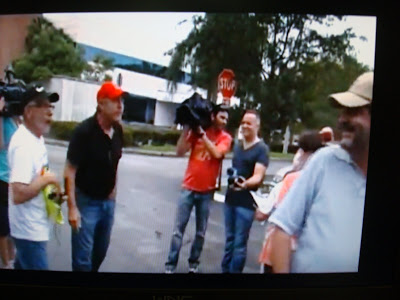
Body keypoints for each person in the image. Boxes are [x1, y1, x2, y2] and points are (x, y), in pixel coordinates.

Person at [269, 71, 373, 273]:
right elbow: (281, 230)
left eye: (353, 111)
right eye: (342, 111)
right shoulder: (325, 162)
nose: (342, 119)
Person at [64, 81, 126, 272]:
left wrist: (113, 193)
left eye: (121, 101)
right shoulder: (84, 132)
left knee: (99, 253)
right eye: (115, 100)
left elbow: (115, 163)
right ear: (100, 103)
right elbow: (69, 170)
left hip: (108, 204)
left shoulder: (118, 131)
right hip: (86, 203)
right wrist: (72, 208)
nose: (120, 105)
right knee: (83, 261)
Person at [165, 105, 232, 274]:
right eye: (222, 117)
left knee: (200, 233)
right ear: (213, 116)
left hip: (206, 191)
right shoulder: (197, 133)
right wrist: (187, 129)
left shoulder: (225, 138)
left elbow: (217, 154)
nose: (225, 122)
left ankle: (193, 263)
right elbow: (180, 152)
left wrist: (202, 134)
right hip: (188, 187)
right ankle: (170, 264)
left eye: (226, 119)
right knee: (178, 230)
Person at [8, 85, 61, 270]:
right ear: (29, 112)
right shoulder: (23, 145)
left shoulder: (36, 138)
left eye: (51, 107)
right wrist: (47, 180)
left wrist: (53, 196)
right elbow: (18, 194)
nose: (50, 112)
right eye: (43, 106)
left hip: (33, 227)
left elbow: (37, 176)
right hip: (28, 232)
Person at [255, 130, 324, 273]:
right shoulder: (324, 181)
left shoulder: (290, 179)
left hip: (278, 252)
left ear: (302, 152)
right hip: (309, 255)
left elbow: (265, 214)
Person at [221, 109, 269, 273]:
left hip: (246, 203)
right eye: (243, 123)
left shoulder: (261, 149)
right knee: (229, 241)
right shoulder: (238, 146)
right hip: (230, 200)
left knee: (239, 244)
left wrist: (245, 184)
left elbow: (258, 176)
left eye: (248, 123)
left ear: (257, 125)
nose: (244, 126)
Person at [0, 96, 20, 269]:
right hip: (1, 178)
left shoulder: (14, 120)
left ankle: (12, 260)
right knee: (3, 228)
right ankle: (6, 264)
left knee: (13, 225)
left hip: (13, 178)